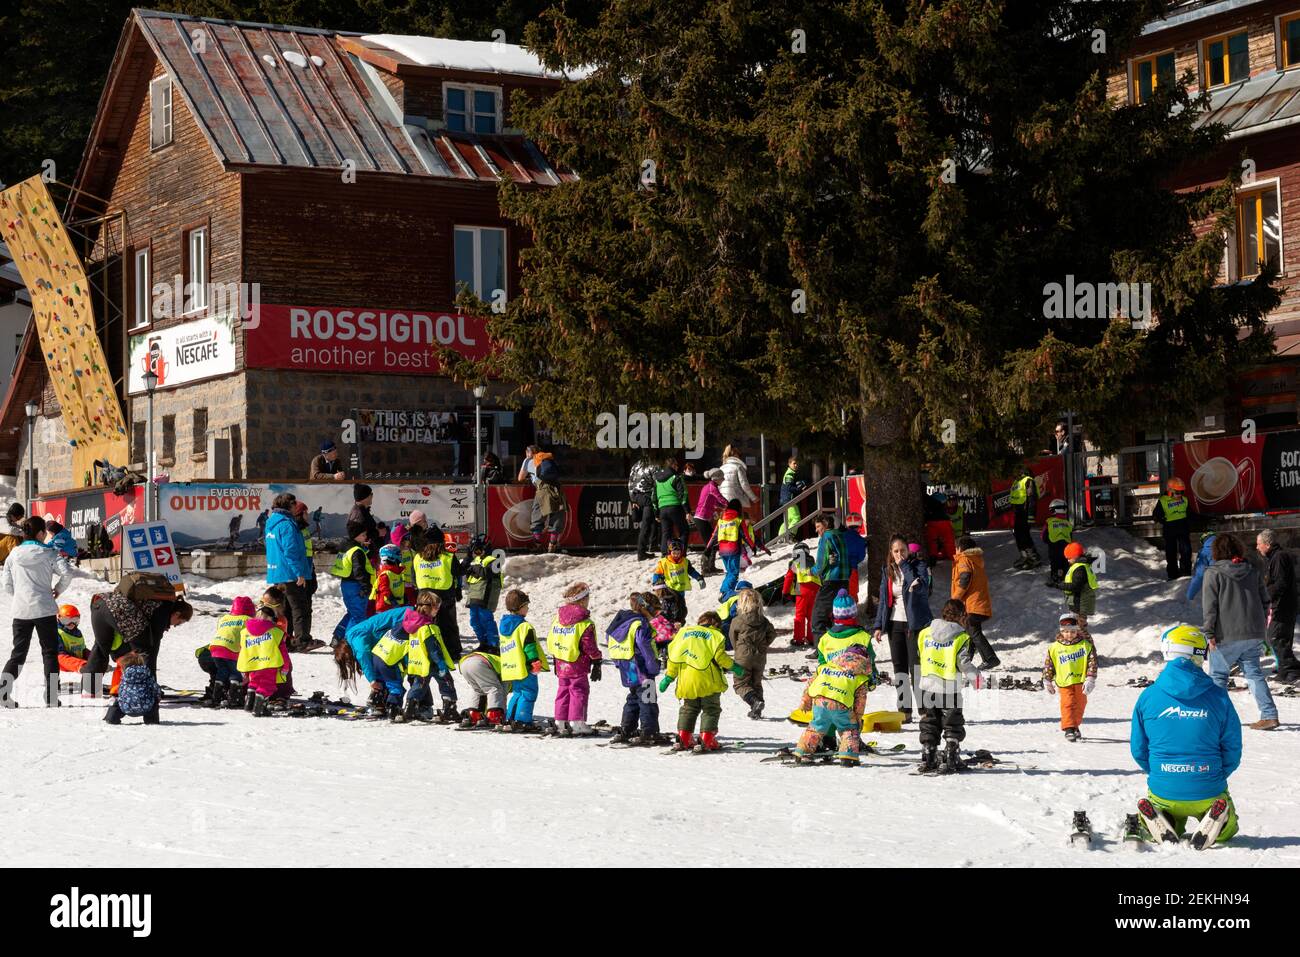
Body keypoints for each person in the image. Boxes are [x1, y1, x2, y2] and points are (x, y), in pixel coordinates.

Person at [1131, 625, 1241, 847]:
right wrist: (1215, 774)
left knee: (1168, 806)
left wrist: (1160, 772)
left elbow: (1138, 748)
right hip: (1208, 787)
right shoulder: (1219, 697)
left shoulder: (1148, 696)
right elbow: (1232, 748)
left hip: (1164, 786)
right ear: (1199, 655)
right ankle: (1219, 819)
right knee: (1229, 829)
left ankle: (1163, 818)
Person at [1201, 533, 1280, 730]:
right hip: (1253, 633)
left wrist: (1209, 633)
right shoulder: (1252, 571)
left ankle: (1218, 720)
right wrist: (1259, 625)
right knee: (1254, 674)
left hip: (1225, 634)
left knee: (1218, 676)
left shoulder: (1213, 573)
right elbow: (1265, 601)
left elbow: (1209, 607)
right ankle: (1269, 714)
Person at [0, 516, 72, 708]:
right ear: (40, 533)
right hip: (44, 609)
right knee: (50, 653)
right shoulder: (49, 552)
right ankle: (51, 696)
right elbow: (67, 572)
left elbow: (6, 583)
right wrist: (58, 589)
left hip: (21, 610)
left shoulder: (14, 554)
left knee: (18, 654)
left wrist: (19, 595)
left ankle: (2, 692)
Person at [659, 610, 744, 752]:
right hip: (708, 681)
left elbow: (674, 658)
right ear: (716, 624)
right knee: (711, 709)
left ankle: (684, 738)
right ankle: (707, 739)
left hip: (687, 681)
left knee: (689, 708)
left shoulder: (683, 634)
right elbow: (720, 658)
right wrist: (734, 667)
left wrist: (669, 677)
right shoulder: (714, 636)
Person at [872, 534, 933, 722]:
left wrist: (905, 566)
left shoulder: (918, 567)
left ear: (908, 551)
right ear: (890, 552)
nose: (900, 554)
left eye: (903, 550)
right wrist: (878, 625)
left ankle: (924, 711)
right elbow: (884, 599)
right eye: (896, 551)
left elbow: (923, 591)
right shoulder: (887, 571)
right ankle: (904, 711)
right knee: (900, 669)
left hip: (914, 624)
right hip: (894, 623)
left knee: (917, 668)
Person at [915, 598, 980, 774]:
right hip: (949, 686)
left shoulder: (925, 633)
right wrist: (976, 678)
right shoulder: (961, 637)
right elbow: (964, 662)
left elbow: (920, 653)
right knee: (952, 722)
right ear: (961, 616)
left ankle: (929, 753)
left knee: (930, 720)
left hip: (928, 684)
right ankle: (951, 753)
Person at [82, 591, 192, 693]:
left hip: (100, 604)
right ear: (177, 614)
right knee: (144, 652)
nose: (175, 626)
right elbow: (150, 653)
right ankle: (145, 689)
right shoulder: (163, 612)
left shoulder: (161, 603)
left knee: (101, 648)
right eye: (178, 623)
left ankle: (90, 687)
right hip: (119, 611)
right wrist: (152, 687)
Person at [792, 642, 876, 764]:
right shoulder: (860, 678)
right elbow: (860, 700)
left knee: (815, 727)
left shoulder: (825, 668)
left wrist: (806, 701)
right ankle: (848, 756)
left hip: (820, 702)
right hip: (841, 705)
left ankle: (803, 752)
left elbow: (810, 684)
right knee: (849, 728)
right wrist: (857, 717)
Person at [606, 591, 662, 745]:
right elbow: (644, 644)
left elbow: (610, 639)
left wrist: (618, 662)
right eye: (656, 611)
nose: (656, 615)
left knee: (633, 697)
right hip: (642, 666)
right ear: (647, 609)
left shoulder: (622, 621)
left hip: (627, 665)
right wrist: (653, 666)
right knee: (648, 699)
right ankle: (649, 731)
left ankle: (628, 728)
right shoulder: (640, 623)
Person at [547, 581, 602, 736]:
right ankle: (577, 722)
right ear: (583, 600)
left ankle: (560, 720)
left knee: (563, 690)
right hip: (577, 662)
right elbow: (589, 646)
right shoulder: (584, 623)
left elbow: (553, 637)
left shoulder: (558, 619)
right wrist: (597, 659)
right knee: (579, 690)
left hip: (561, 661)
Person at [264, 492, 313, 652]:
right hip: (290, 573)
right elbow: (290, 551)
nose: (295, 507)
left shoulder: (271, 523)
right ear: (289, 506)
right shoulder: (286, 525)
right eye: (294, 504)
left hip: (278, 573)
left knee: (285, 609)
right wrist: (299, 573)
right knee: (300, 608)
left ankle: (287, 639)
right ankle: (302, 641)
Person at [1042, 611, 1096, 741]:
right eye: (1066, 631)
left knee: (1080, 705)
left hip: (1081, 681)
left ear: (1077, 631)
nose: (1069, 634)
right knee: (1068, 704)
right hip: (1064, 682)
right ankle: (1069, 728)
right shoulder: (1054, 647)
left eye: (1072, 631)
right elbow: (1049, 665)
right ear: (1061, 631)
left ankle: (1075, 726)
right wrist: (1047, 680)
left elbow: (1092, 662)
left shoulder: (1085, 645)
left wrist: (1090, 679)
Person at [499, 589, 547, 731]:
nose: (528, 608)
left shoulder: (504, 626)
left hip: (511, 666)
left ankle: (510, 718)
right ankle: (523, 720)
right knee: (529, 692)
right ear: (520, 608)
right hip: (525, 667)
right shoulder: (525, 627)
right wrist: (535, 662)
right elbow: (529, 647)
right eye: (526, 606)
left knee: (518, 692)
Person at [1257, 529, 1300, 682]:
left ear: (1267, 544)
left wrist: (1265, 595)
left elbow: (1280, 584)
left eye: (1259, 544)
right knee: (1281, 638)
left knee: (1276, 638)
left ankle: (1292, 668)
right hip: (1284, 604)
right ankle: (1286, 670)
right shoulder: (1275, 557)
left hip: (1283, 606)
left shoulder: (1279, 557)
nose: (1257, 547)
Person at [413, 531, 464, 658]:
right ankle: (452, 652)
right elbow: (459, 571)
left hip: (424, 596)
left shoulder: (418, 557)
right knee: (448, 624)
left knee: (427, 624)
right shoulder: (448, 556)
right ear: (442, 541)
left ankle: (429, 651)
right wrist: (468, 557)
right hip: (445, 594)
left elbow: (414, 578)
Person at [951, 535, 999, 668]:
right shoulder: (975, 559)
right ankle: (967, 660)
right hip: (979, 602)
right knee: (971, 632)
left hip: (971, 604)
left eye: (956, 548)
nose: (955, 551)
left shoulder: (964, 559)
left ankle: (990, 658)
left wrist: (955, 598)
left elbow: (965, 578)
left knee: (973, 631)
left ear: (960, 548)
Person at [728, 587, 776, 719]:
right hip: (760, 656)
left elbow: (732, 638)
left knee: (740, 683)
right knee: (756, 682)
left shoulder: (738, 620)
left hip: (743, 656)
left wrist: (739, 649)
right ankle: (757, 709)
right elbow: (772, 634)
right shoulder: (764, 620)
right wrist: (764, 644)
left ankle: (754, 702)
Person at [204, 596, 255, 709]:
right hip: (231, 649)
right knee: (235, 673)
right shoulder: (248, 620)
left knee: (222, 671)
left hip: (215, 648)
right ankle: (234, 698)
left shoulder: (224, 618)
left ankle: (216, 696)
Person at [706, 498, 762, 597]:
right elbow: (745, 536)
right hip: (733, 550)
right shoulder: (738, 520)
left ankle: (725, 591)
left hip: (722, 551)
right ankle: (725, 592)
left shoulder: (721, 520)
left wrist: (707, 548)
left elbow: (714, 535)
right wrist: (752, 546)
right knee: (734, 573)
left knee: (729, 573)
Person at [329, 520, 374, 645]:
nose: (366, 537)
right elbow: (358, 570)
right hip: (357, 587)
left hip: (346, 585)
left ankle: (337, 636)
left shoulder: (346, 547)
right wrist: (365, 586)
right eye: (363, 534)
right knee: (358, 616)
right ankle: (349, 643)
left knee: (352, 613)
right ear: (356, 535)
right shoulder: (356, 551)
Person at [238, 605, 286, 717]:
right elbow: (283, 651)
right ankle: (259, 707)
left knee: (254, 682)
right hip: (269, 664)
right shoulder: (276, 632)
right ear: (272, 618)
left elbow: (242, 648)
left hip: (252, 663)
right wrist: (285, 666)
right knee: (267, 685)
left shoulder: (245, 632)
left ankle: (249, 703)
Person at [811, 514, 853, 638]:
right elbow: (843, 558)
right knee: (838, 615)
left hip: (830, 581)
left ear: (825, 525)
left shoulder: (826, 537)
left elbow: (820, 564)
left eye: (818, 526)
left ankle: (821, 650)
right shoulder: (841, 536)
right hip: (844, 580)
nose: (816, 530)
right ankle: (838, 646)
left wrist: (811, 571)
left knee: (818, 616)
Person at [652, 538, 706, 625]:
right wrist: (656, 584)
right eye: (674, 553)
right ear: (670, 552)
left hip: (681, 590)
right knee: (668, 609)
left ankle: (679, 623)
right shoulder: (664, 562)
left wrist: (699, 578)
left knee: (680, 609)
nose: (676, 555)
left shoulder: (685, 562)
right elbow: (657, 574)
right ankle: (667, 623)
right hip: (669, 591)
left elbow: (691, 571)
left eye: (678, 553)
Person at [463, 536, 502, 650]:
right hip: (474, 594)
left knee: (486, 619)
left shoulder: (494, 560)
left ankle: (494, 645)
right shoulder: (475, 560)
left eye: (479, 550)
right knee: (474, 620)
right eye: (475, 551)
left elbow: (487, 572)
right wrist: (468, 557)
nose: (477, 553)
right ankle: (483, 642)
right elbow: (465, 570)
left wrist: (474, 569)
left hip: (486, 594)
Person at [103, 651, 161, 725]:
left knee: (117, 701)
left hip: (126, 707)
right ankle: (151, 720)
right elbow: (155, 688)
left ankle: (111, 718)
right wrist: (158, 696)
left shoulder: (124, 677)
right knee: (154, 701)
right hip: (145, 707)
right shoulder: (147, 674)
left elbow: (120, 690)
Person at [782, 543, 821, 648]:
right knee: (811, 615)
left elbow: (789, 578)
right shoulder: (813, 562)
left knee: (800, 615)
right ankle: (812, 638)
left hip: (802, 591)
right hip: (815, 591)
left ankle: (798, 639)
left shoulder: (795, 563)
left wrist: (785, 592)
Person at [1154, 478, 1193, 580]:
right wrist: (1164, 521)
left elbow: (1190, 514)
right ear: (1170, 491)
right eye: (1177, 492)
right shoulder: (1163, 501)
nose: (1180, 494)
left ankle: (1185, 573)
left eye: (1182, 492)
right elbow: (1156, 515)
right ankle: (1173, 575)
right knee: (1171, 552)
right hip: (1170, 529)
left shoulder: (1184, 500)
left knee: (1186, 551)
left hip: (1183, 528)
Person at [690, 468, 727, 573]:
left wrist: (724, 507)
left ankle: (711, 567)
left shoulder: (711, 487)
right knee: (710, 544)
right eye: (722, 478)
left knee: (713, 544)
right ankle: (705, 568)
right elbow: (720, 498)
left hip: (704, 519)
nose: (723, 480)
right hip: (701, 519)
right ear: (716, 479)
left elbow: (715, 503)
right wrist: (731, 505)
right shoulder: (712, 487)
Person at [652, 456, 689, 556]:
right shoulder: (676, 477)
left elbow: (654, 498)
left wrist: (656, 514)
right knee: (684, 531)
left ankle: (665, 555)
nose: (677, 467)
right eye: (676, 465)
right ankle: (681, 554)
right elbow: (683, 494)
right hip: (675, 507)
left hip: (662, 509)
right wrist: (687, 511)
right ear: (672, 465)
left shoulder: (657, 480)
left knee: (666, 533)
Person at [532, 448, 566, 552]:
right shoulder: (551, 460)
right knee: (557, 517)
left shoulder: (536, 459)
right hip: (556, 489)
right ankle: (552, 545)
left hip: (542, 489)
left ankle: (537, 544)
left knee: (537, 516)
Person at [628, 456, 659, 562]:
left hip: (637, 496)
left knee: (649, 523)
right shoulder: (654, 465)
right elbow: (657, 483)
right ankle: (641, 552)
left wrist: (633, 500)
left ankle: (648, 548)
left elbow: (630, 483)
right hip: (647, 497)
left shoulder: (636, 465)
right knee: (646, 525)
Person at [1010, 466, 1041, 569]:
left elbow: (1032, 499)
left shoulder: (1028, 481)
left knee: (1024, 535)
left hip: (1025, 513)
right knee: (1018, 535)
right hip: (1019, 513)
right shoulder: (1016, 482)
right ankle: (1024, 556)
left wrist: (1031, 516)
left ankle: (1034, 558)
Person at [1061, 542, 1097, 629]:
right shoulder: (1081, 566)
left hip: (1079, 603)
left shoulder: (1080, 568)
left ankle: (1083, 640)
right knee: (1078, 625)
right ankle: (1080, 638)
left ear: (1075, 556)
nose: (1068, 560)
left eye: (1069, 558)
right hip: (1078, 602)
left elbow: (1076, 586)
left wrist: (1061, 585)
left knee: (1078, 626)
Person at [1041, 498, 1073, 586]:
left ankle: (1055, 578)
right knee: (1065, 562)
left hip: (1054, 547)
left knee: (1055, 563)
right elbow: (1070, 535)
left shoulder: (1049, 522)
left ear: (1055, 510)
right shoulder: (1068, 523)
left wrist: (1048, 541)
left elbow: (1043, 535)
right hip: (1066, 547)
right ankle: (1066, 577)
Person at [371, 544, 407, 612]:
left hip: (396, 605)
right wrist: (395, 603)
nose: (400, 556)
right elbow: (384, 591)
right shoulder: (385, 575)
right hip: (386, 608)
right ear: (391, 557)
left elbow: (400, 587)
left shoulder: (397, 571)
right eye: (398, 554)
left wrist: (405, 598)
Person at [348, 484, 380, 557]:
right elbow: (357, 537)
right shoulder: (359, 514)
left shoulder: (361, 510)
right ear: (365, 497)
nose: (372, 496)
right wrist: (378, 533)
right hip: (363, 555)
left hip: (366, 554)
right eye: (371, 494)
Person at [56, 604, 88, 673]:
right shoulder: (58, 632)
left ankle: (96, 664)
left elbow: (83, 649)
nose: (71, 624)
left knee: (92, 653)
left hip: (79, 659)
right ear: (59, 619)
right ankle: (83, 666)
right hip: (65, 663)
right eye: (66, 621)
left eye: (75, 620)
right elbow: (60, 654)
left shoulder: (78, 632)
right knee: (59, 657)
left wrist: (94, 659)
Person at [778, 456, 804, 538]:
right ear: (789, 464)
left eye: (797, 464)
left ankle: (781, 537)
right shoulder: (790, 473)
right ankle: (790, 535)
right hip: (789, 500)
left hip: (785, 500)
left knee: (788, 520)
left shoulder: (791, 473)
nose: (796, 465)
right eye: (794, 463)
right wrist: (799, 489)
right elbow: (789, 487)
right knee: (796, 518)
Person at [1187, 531, 1216, 602]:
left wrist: (1189, 595)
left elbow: (1200, 575)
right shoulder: (1227, 547)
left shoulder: (1205, 552)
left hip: (1216, 584)